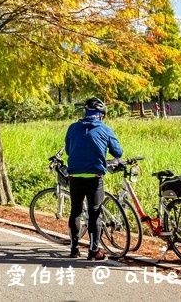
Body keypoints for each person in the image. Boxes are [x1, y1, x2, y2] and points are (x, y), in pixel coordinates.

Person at [64, 97, 122, 261]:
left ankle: (74, 249)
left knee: (75, 211)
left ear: (86, 112)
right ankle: (93, 251)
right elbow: (118, 153)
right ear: (101, 116)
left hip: (74, 175)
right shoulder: (105, 129)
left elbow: (69, 150)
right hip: (95, 177)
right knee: (95, 212)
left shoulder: (73, 128)